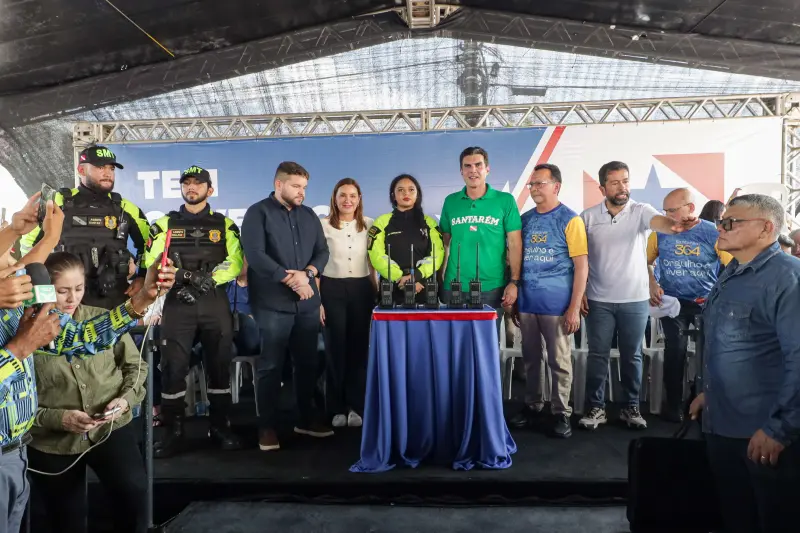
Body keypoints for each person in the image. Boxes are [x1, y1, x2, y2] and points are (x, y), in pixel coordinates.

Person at [0, 195, 175, 533]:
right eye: (9, 259)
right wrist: (22, 348)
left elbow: (81, 337)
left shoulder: (15, 312)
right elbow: (25, 348)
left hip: (14, 454)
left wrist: (142, 299)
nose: (15, 266)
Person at [689, 194, 800, 533]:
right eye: (722, 221)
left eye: (731, 222)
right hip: (723, 423)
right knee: (736, 517)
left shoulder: (788, 279)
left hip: (763, 431)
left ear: (767, 228)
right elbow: (736, 344)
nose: (720, 228)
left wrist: (778, 429)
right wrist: (711, 392)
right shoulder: (732, 270)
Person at [28, 252, 148, 533]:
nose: (72, 299)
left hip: (109, 427)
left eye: (78, 289)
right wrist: (58, 419)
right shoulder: (27, 333)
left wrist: (125, 400)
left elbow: (136, 367)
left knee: (133, 493)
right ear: (44, 290)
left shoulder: (101, 320)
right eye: (62, 291)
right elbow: (16, 403)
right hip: (53, 440)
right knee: (66, 518)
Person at [578, 161, 698, 432]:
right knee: (597, 355)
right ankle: (595, 407)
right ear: (602, 187)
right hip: (598, 299)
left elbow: (662, 223)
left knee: (632, 355)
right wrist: (582, 291)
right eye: (615, 182)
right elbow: (580, 259)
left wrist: (677, 225)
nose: (623, 187)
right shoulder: (586, 217)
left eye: (626, 181)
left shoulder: (641, 211)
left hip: (634, 299)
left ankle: (630, 407)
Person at [142, 165, 244, 457]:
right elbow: (153, 260)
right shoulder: (164, 223)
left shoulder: (224, 224)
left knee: (219, 366)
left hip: (213, 301)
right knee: (173, 368)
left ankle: (221, 427)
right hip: (177, 303)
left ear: (209, 190)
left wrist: (203, 281)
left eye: (198, 183)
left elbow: (235, 262)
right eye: (187, 183)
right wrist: (183, 277)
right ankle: (173, 433)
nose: (192, 187)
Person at [241, 161, 332, 452]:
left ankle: (305, 419)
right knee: (270, 365)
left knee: (307, 363)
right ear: (279, 184)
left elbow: (322, 251)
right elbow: (254, 255)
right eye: (296, 186)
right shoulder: (258, 213)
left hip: (306, 302)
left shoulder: (309, 216)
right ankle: (267, 426)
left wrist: (307, 274)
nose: (301, 192)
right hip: (272, 304)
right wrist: (288, 278)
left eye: (304, 187)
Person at [508, 163, 588, 438]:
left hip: (557, 305)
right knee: (530, 359)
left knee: (559, 360)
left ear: (556, 186)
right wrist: (517, 298)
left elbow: (581, 266)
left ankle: (561, 412)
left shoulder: (570, 219)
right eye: (532, 184)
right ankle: (533, 405)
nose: (534, 189)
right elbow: (516, 260)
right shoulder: (525, 219)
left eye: (540, 183)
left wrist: (574, 307)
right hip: (528, 301)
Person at [20, 145, 150, 309]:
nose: (107, 173)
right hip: (65, 301)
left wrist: (142, 277)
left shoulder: (126, 208)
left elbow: (148, 245)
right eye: (100, 167)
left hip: (114, 299)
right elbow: (28, 243)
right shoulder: (58, 201)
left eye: (111, 168)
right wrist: (38, 283)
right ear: (81, 170)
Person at [647, 188, 732, 422]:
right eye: (665, 211)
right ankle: (673, 404)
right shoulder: (659, 233)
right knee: (675, 351)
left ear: (691, 208)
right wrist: (652, 282)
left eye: (672, 210)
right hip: (672, 302)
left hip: (705, 304)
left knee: (709, 353)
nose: (668, 215)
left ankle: (703, 402)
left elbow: (732, 267)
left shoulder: (712, 233)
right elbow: (644, 262)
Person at [440, 147, 522, 331]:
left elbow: (515, 244)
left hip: (491, 287)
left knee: (487, 346)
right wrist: (440, 280)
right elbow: (444, 243)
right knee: (456, 345)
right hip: (455, 286)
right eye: (467, 166)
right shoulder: (450, 201)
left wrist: (514, 281)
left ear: (487, 169)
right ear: (461, 171)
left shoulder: (505, 201)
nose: (473, 170)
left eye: (478, 165)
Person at [320, 178, 376, 428]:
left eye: (353, 195)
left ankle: (357, 406)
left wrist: (375, 295)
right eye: (342, 195)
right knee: (335, 350)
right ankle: (336, 407)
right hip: (332, 289)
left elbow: (374, 264)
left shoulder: (371, 226)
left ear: (359, 198)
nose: (347, 200)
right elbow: (317, 266)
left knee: (359, 351)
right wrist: (318, 302)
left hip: (362, 290)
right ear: (335, 198)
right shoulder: (322, 226)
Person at [368, 174, 443, 306]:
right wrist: (400, 278)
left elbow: (437, 255)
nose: (406, 193)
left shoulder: (429, 223)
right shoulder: (382, 222)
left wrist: (417, 277)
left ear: (417, 194)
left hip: (423, 289)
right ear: (393, 195)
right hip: (392, 291)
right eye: (400, 190)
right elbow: (376, 255)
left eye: (411, 189)